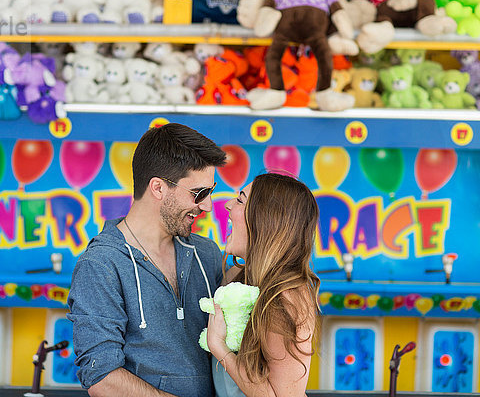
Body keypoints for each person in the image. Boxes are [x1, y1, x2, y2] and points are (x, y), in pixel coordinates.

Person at [67, 123, 227, 397]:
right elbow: (101, 377)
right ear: (158, 187)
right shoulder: (101, 264)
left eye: (210, 191)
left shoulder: (207, 253)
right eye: (199, 193)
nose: (208, 205)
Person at [206, 173, 321, 397]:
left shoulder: (285, 297)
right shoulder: (238, 275)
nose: (228, 205)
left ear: (266, 220)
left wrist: (218, 347)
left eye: (240, 200)